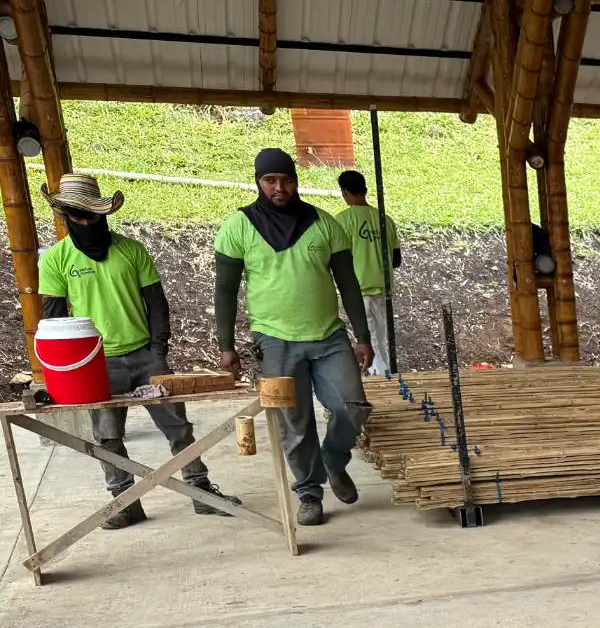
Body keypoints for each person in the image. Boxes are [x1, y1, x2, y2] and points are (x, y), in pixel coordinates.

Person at [37, 173, 237, 529]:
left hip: (145, 353)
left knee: (178, 427)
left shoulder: (131, 250)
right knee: (107, 436)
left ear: (103, 215)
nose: (85, 222)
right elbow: (54, 322)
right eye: (77, 216)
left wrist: (158, 348)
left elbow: (157, 304)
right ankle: (124, 501)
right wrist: (67, 372)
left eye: (92, 216)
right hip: (95, 362)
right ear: (66, 216)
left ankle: (201, 490)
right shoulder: (56, 260)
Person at [214, 148, 374, 528]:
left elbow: (348, 284)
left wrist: (363, 336)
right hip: (274, 340)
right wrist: (225, 345)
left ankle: (333, 462)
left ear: (296, 181)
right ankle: (309, 492)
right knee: (294, 420)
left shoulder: (324, 223)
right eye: (270, 181)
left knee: (353, 405)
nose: (279, 187)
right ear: (258, 183)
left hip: (329, 336)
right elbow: (225, 290)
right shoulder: (238, 227)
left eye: (286, 180)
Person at [335, 170, 400, 377]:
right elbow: (396, 259)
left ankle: (381, 381)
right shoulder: (385, 220)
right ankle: (387, 377)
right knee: (382, 340)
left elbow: (338, 259)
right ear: (364, 190)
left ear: (345, 192)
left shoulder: (343, 221)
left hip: (359, 291)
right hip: (384, 290)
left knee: (369, 341)